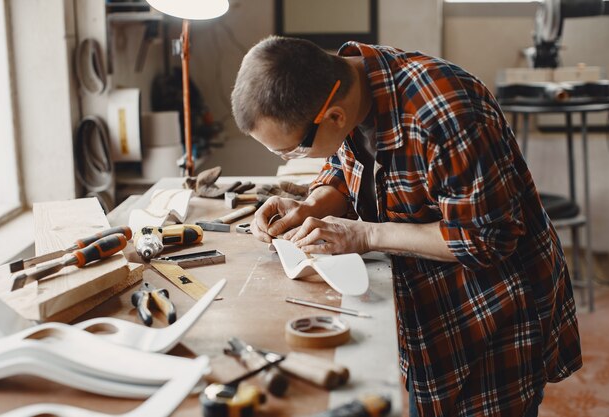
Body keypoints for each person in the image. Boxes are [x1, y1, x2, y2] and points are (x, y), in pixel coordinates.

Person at [231, 36, 582, 417]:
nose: (293, 157)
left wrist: (365, 234)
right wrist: (310, 205)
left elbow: (486, 238)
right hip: (426, 303)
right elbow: (347, 167)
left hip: (493, 311)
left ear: (333, 116)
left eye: (293, 150)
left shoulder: (447, 113)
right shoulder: (352, 86)